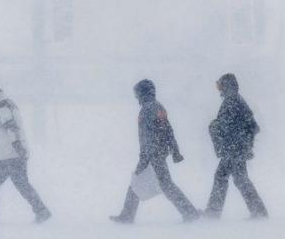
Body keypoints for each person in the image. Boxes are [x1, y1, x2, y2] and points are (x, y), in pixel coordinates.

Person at [110, 79, 200, 223]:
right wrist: (174, 150)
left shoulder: (147, 109)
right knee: (162, 184)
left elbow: (149, 135)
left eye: (137, 93)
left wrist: (146, 156)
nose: (136, 97)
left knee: (148, 183)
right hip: (157, 152)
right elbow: (169, 130)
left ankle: (190, 212)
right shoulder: (158, 107)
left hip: (152, 153)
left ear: (142, 93)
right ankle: (189, 212)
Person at [0, 88, 51, 224]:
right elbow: (3, 129)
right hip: (11, 155)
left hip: (9, 156)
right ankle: (42, 211)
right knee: (22, 185)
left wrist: (17, 146)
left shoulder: (4, 107)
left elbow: (12, 127)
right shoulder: (5, 107)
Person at [204, 73, 268, 219]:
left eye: (220, 85)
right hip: (236, 147)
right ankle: (258, 211)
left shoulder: (231, 100)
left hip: (234, 148)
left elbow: (228, 126)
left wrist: (214, 125)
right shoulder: (235, 98)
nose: (218, 89)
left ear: (226, 85)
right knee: (237, 178)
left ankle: (214, 212)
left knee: (229, 178)